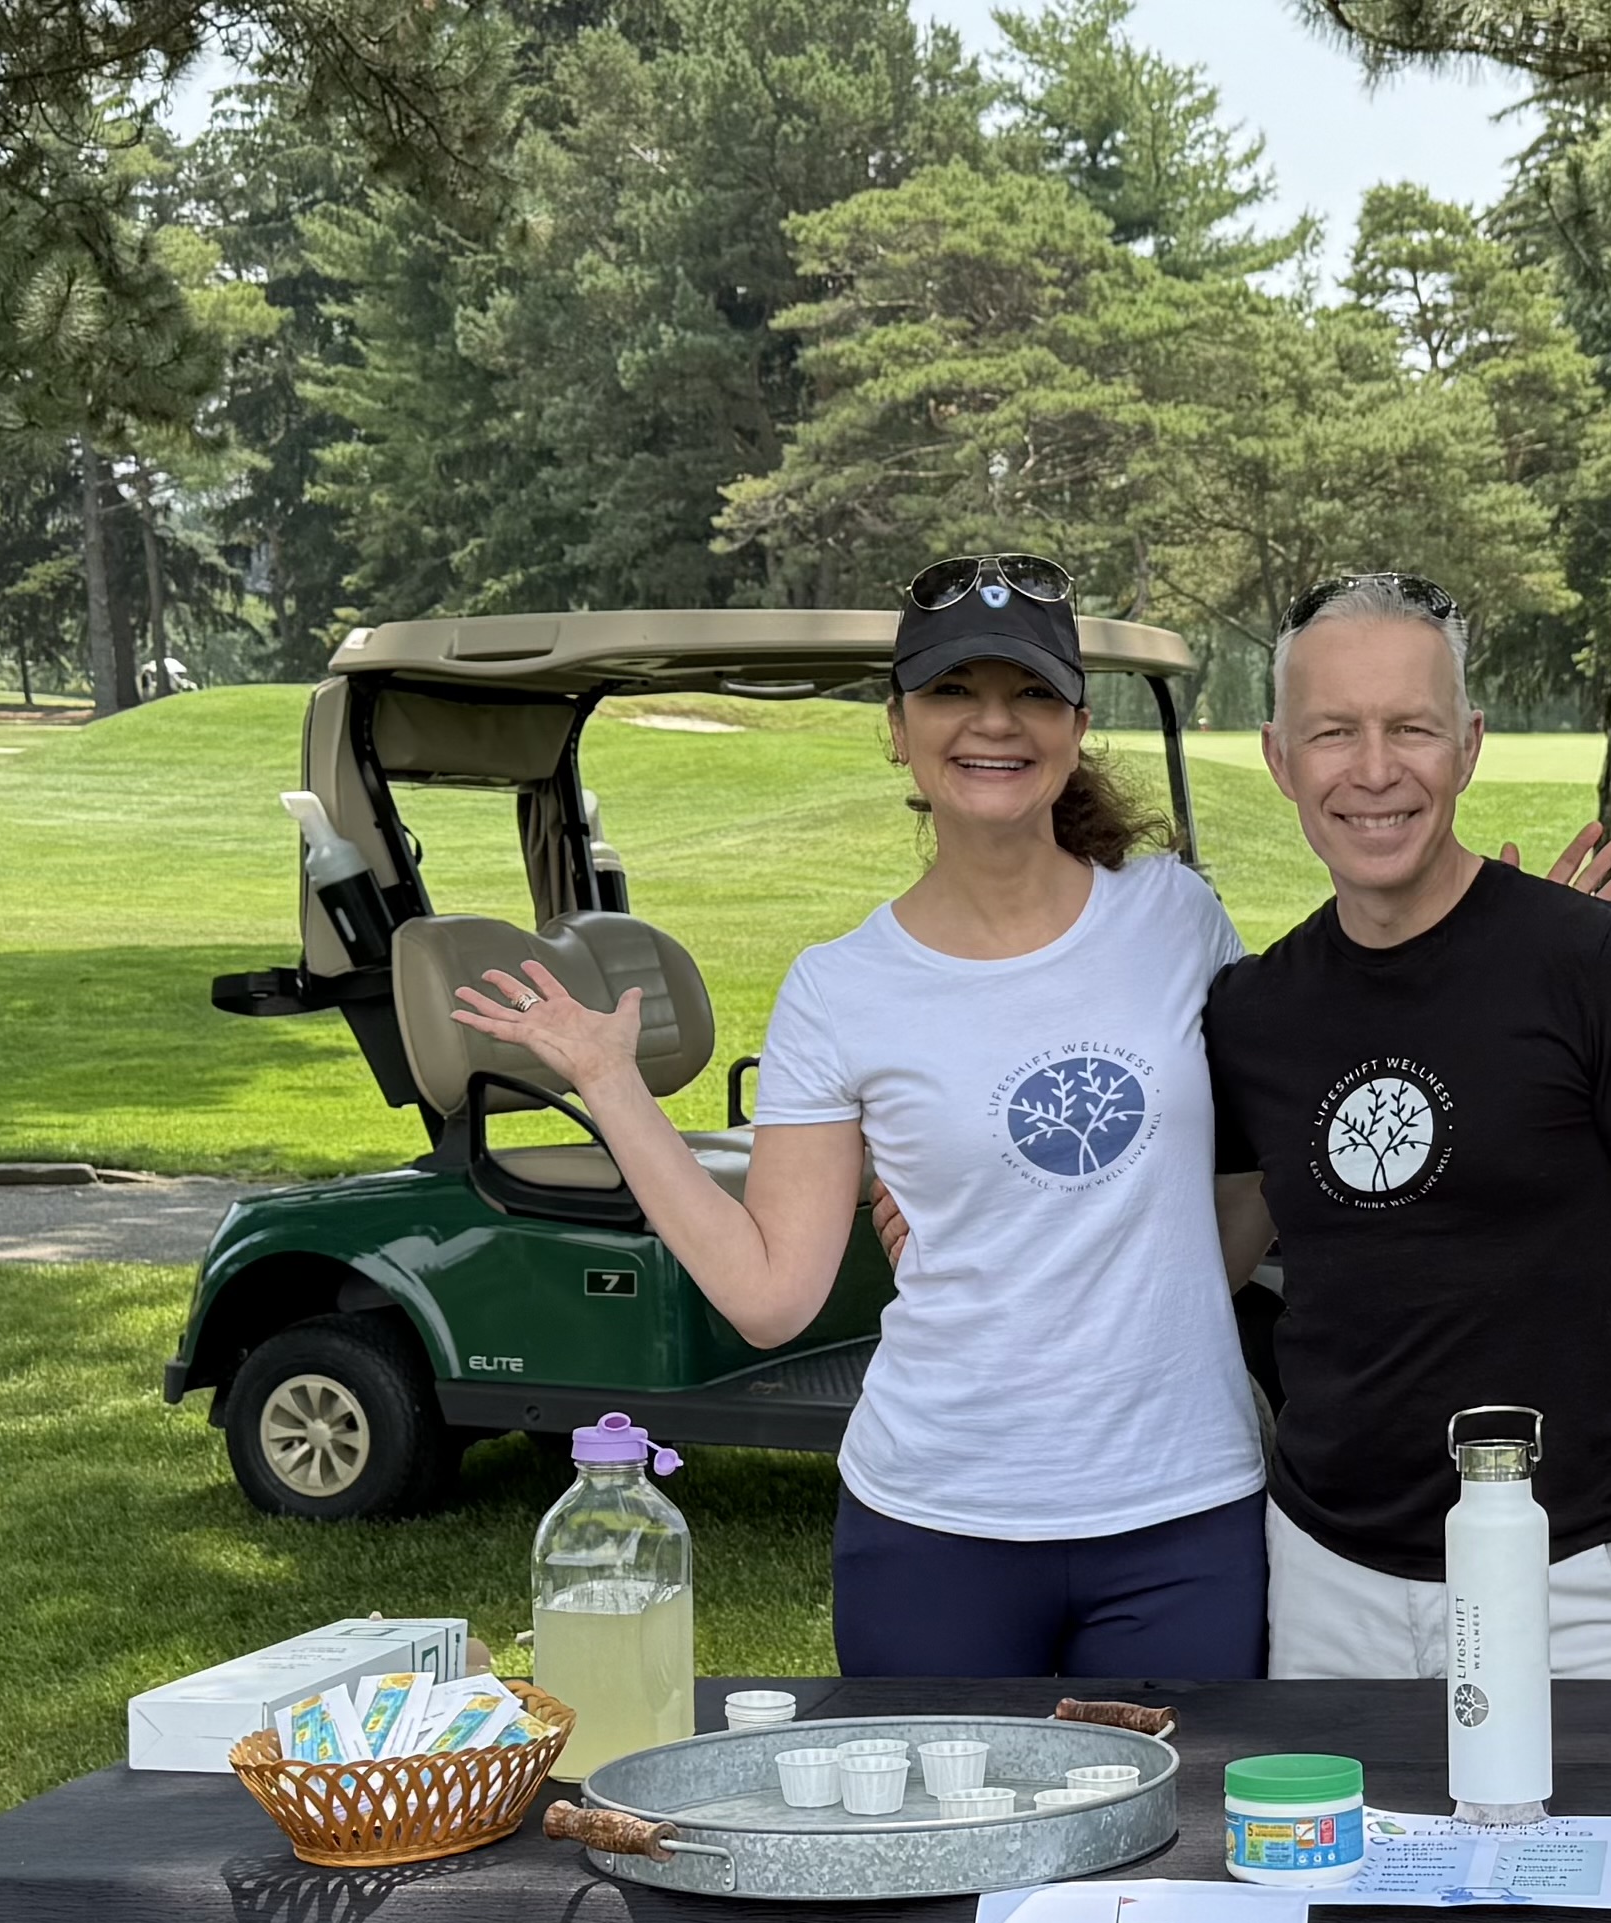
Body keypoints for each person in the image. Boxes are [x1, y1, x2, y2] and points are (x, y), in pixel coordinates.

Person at [453, 555, 1271, 1678]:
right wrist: (611, 1083)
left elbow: (1249, 1176)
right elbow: (769, 1297)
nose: (994, 723)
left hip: (1181, 1516)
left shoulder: (1178, 917)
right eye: (951, 691)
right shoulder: (840, 988)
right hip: (936, 1526)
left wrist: (1133, 1285)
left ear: (1078, 726)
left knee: (1181, 1803)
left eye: (1032, 692)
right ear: (897, 728)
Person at [1201, 571, 1611, 1709]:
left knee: (1581, 1833)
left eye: (1411, 728)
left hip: (1565, 1567)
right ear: (1279, 757)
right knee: (1340, 1836)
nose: (1374, 770)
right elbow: (1208, 1260)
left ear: (1470, 744)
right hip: (1325, 1572)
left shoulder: (1600, 969)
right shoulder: (1253, 1012)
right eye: (1333, 732)